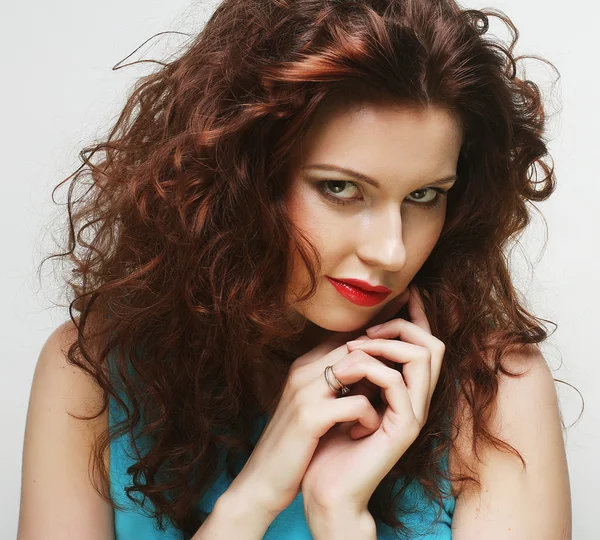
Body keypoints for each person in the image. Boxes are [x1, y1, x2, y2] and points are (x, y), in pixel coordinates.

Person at [18, 0, 572, 539]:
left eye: (425, 195)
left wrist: (339, 517)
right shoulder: (91, 373)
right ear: (237, 180)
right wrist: (252, 501)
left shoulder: (496, 390)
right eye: (340, 188)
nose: (391, 251)